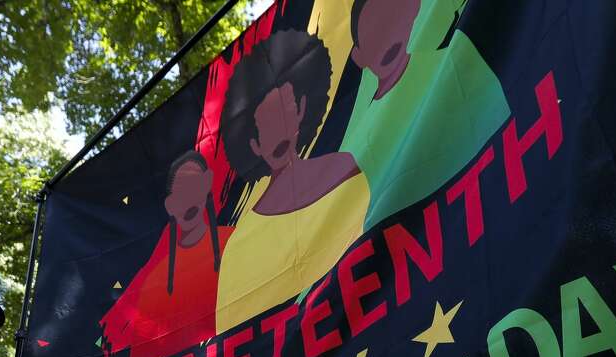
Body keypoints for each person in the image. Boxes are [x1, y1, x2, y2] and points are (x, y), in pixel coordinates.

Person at [214, 29, 370, 333]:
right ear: (254, 144)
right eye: (266, 124)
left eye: (285, 110)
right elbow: (233, 337)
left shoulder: (344, 168)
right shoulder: (239, 246)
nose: (280, 130)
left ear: (300, 110)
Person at [341, 0, 510, 230]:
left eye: (391, 20)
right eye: (372, 34)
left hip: (499, 182)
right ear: (358, 55)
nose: (386, 38)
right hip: (418, 229)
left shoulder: (454, 62)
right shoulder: (362, 138)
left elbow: (501, 113)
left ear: (413, 11)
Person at [98, 152, 234, 357]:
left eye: (194, 186)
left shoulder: (233, 241)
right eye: (180, 193)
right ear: (171, 205)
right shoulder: (154, 281)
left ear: (207, 187)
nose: (188, 199)